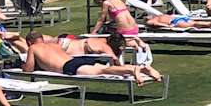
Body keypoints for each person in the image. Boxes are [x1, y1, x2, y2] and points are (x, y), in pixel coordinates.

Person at [23, 33, 158, 84]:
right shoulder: (53, 45)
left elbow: (28, 70)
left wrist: (25, 65)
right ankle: (141, 69)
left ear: (29, 42)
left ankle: (133, 70)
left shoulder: (33, 48)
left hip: (69, 67)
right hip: (77, 60)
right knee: (105, 68)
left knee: (102, 71)